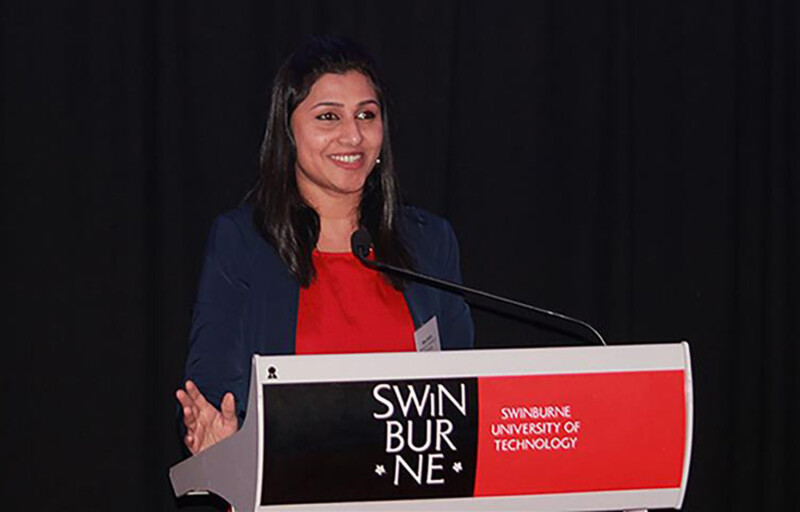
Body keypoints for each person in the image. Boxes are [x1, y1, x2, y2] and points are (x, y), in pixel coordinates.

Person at [175, 36, 474, 455]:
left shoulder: (428, 242)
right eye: (328, 117)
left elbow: (465, 394)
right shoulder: (243, 242)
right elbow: (213, 391)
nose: (352, 135)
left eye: (366, 115)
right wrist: (217, 436)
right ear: (288, 131)